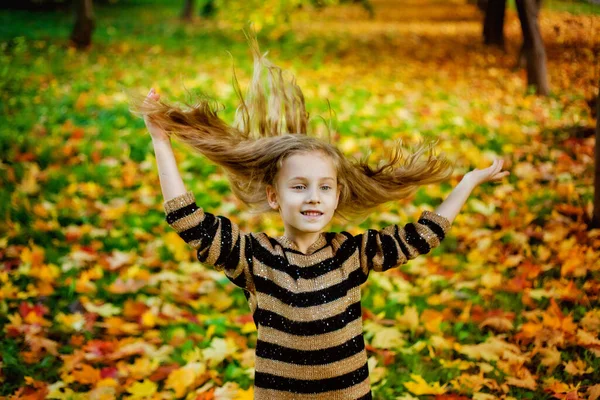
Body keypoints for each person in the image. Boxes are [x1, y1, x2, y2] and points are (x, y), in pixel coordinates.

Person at [131, 30, 509, 400]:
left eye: (324, 187)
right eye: (299, 187)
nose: (313, 198)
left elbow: (423, 234)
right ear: (273, 196)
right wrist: (161, 142)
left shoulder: (352, 254)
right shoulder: (255, 258)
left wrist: (468, 183)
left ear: (338, 194)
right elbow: (188, 221)